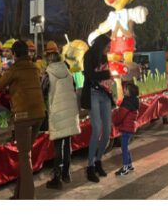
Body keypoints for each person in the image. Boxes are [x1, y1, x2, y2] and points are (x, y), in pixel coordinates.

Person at [0, 39, 45, 200]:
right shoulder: (34, 67)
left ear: (14, 54)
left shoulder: (14, 69)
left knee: (24, 157)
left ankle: (27, 198)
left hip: (23, 116)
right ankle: (19, 194)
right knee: (26, 155)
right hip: (40, 114)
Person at [43, 41, 79, 189]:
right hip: (70, 111)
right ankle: (66, 173)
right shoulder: (67, 70)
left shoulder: (48, 73)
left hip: (57, 112)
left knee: (58, 145)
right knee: (67, 144)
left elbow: (43, 90)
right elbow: (74, 88)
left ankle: (56, 177)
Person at [81, 35, 114, 183]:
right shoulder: (89, 55)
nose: (109, 49)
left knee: (107, 131)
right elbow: (90, 75)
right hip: (93, 94)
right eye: (108, 47)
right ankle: (90, 166)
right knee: (97, 129)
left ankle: (98, 160)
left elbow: (102, 74)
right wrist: (108, 73)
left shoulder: (104, 57)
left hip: (105, 94)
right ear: (101, 45)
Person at [113, 80, 140, 176]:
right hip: (130, 128)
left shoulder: (127, 103)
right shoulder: (133, 101)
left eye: (125, 89)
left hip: (126, 128)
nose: (123, 90)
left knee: (124, 148)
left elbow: (120, 116)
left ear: (129, 92)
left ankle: (125, 168)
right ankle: (129, 165)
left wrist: (114, 121)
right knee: (126, 147)